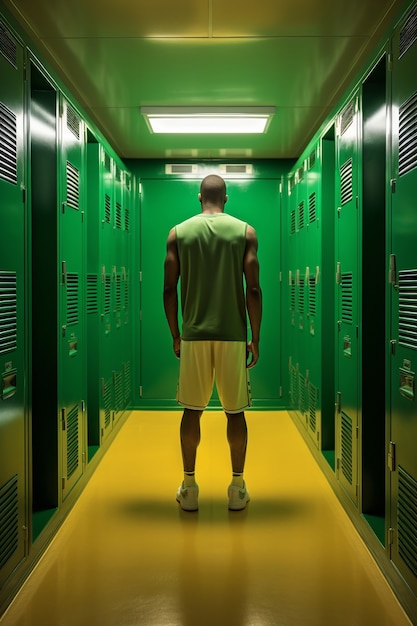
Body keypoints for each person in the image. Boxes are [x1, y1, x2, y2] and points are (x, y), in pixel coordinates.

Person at [163, 174, 262, 511]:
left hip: (193, 335)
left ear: (199, 196)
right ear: (227, 198)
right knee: (235, 413)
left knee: (192, 411)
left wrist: (176, 335)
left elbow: (168, 289)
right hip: (233, 335)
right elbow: (253, 289)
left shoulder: (178, 233)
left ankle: (189, 489)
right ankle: (237, 489)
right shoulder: (245, 231)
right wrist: (256, 337)